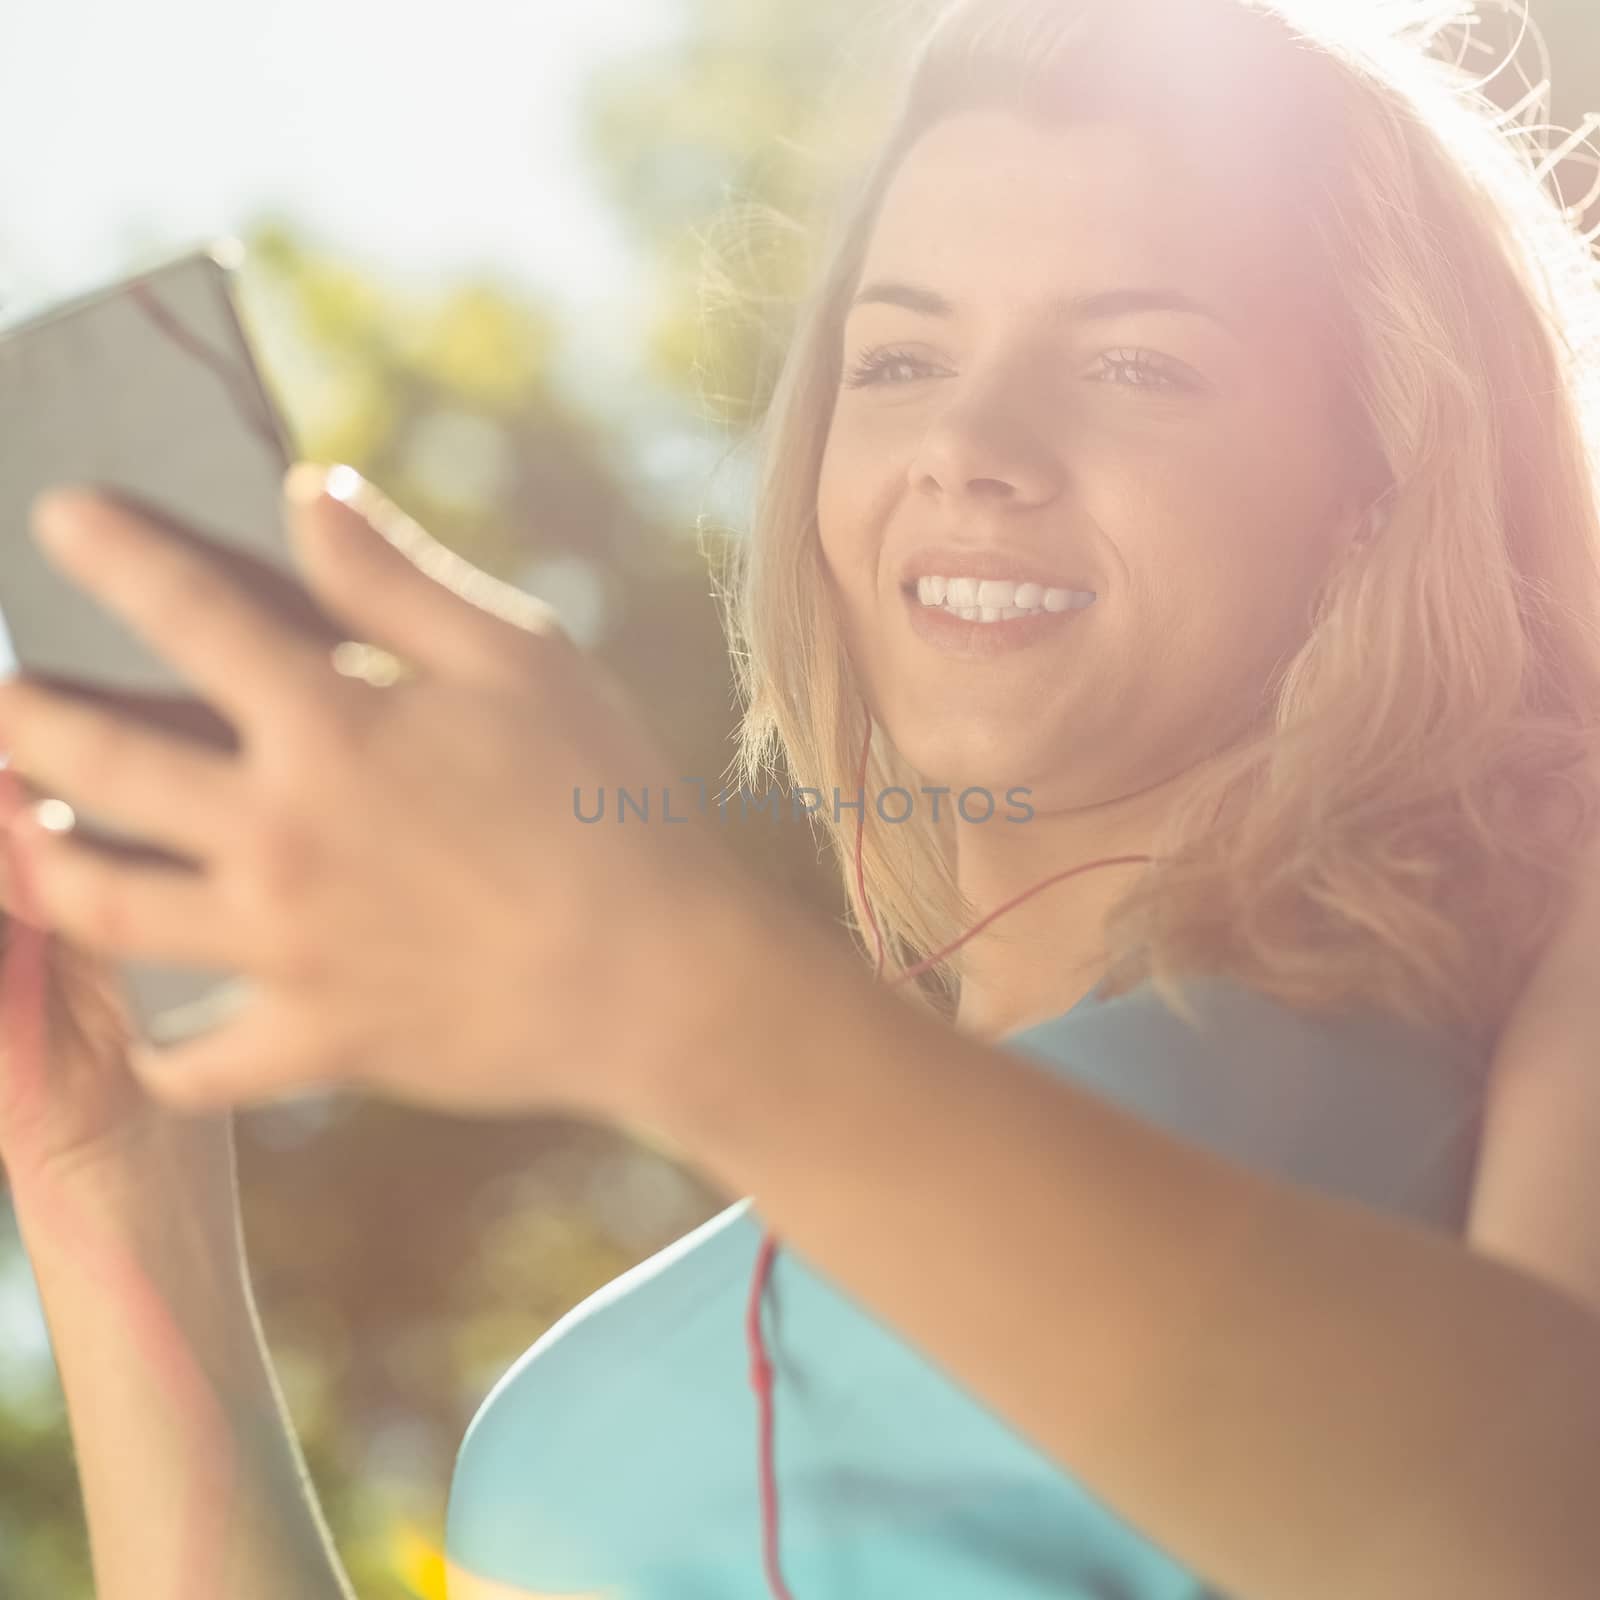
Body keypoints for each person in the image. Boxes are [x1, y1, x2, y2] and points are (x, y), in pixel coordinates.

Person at [2, 0, 1600, 1598]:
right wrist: (118, 1188)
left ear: (1388, 459)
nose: (968, 445)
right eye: (900, 359)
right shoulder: (723, 1240)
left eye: (1134, 362)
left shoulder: (1545, 942)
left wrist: (672, 998)